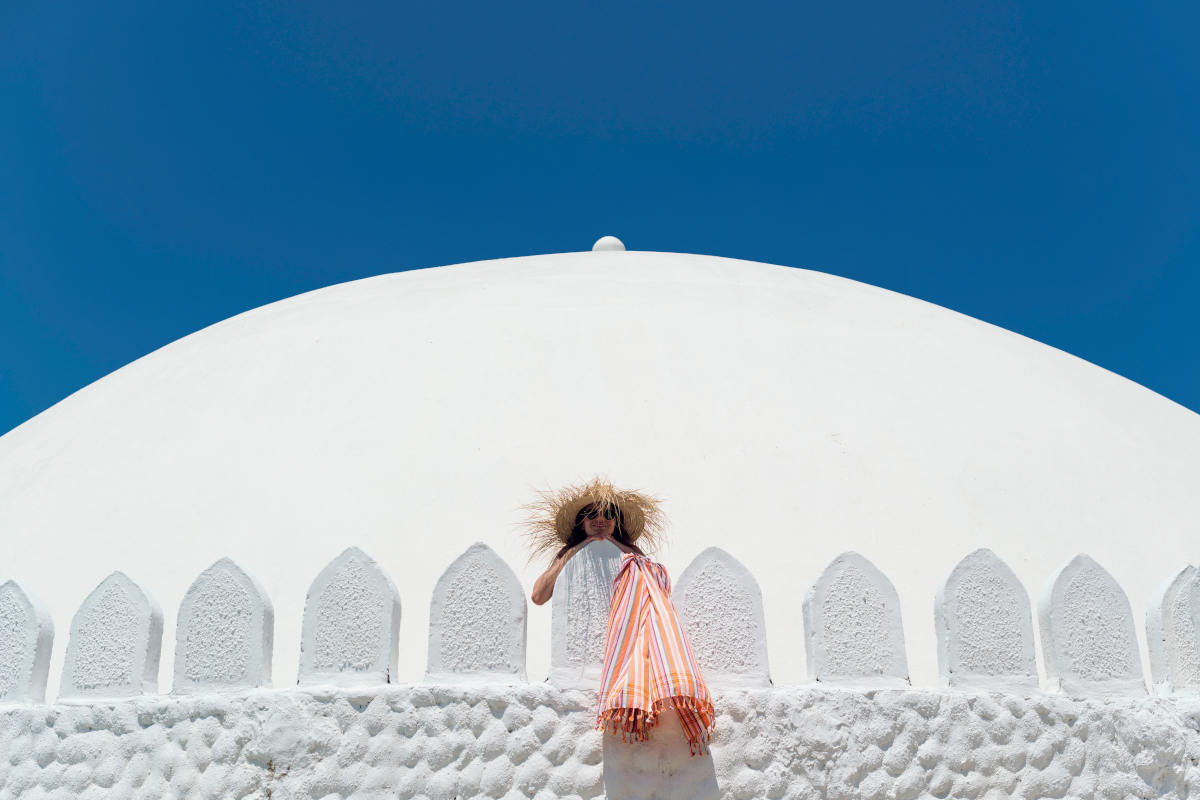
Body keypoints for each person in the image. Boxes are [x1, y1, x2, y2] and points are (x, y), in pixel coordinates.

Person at [525, 477, 715, 755]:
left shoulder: (634, 557)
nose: (600, 519)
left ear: (617, 523)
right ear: (581, 522)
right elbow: (539, 596)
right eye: (591, 514)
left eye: (608, 515)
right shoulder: (568, 555)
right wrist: (578, 548)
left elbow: (656, 582)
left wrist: (615, 545)